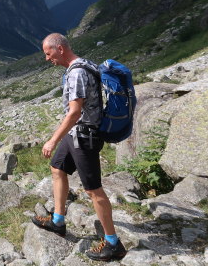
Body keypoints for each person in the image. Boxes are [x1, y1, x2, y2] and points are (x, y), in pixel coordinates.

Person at [31, 33, 127, 262]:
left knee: (94, 190)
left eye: (48, 53)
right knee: (57, 168)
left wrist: (52, 140)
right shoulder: (85, 66)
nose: (47, 58)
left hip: (84, 137)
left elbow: (74, 112)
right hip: (76, 134)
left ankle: (113, 243)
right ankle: (58, 220)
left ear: (60, 49)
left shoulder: (77, 73)